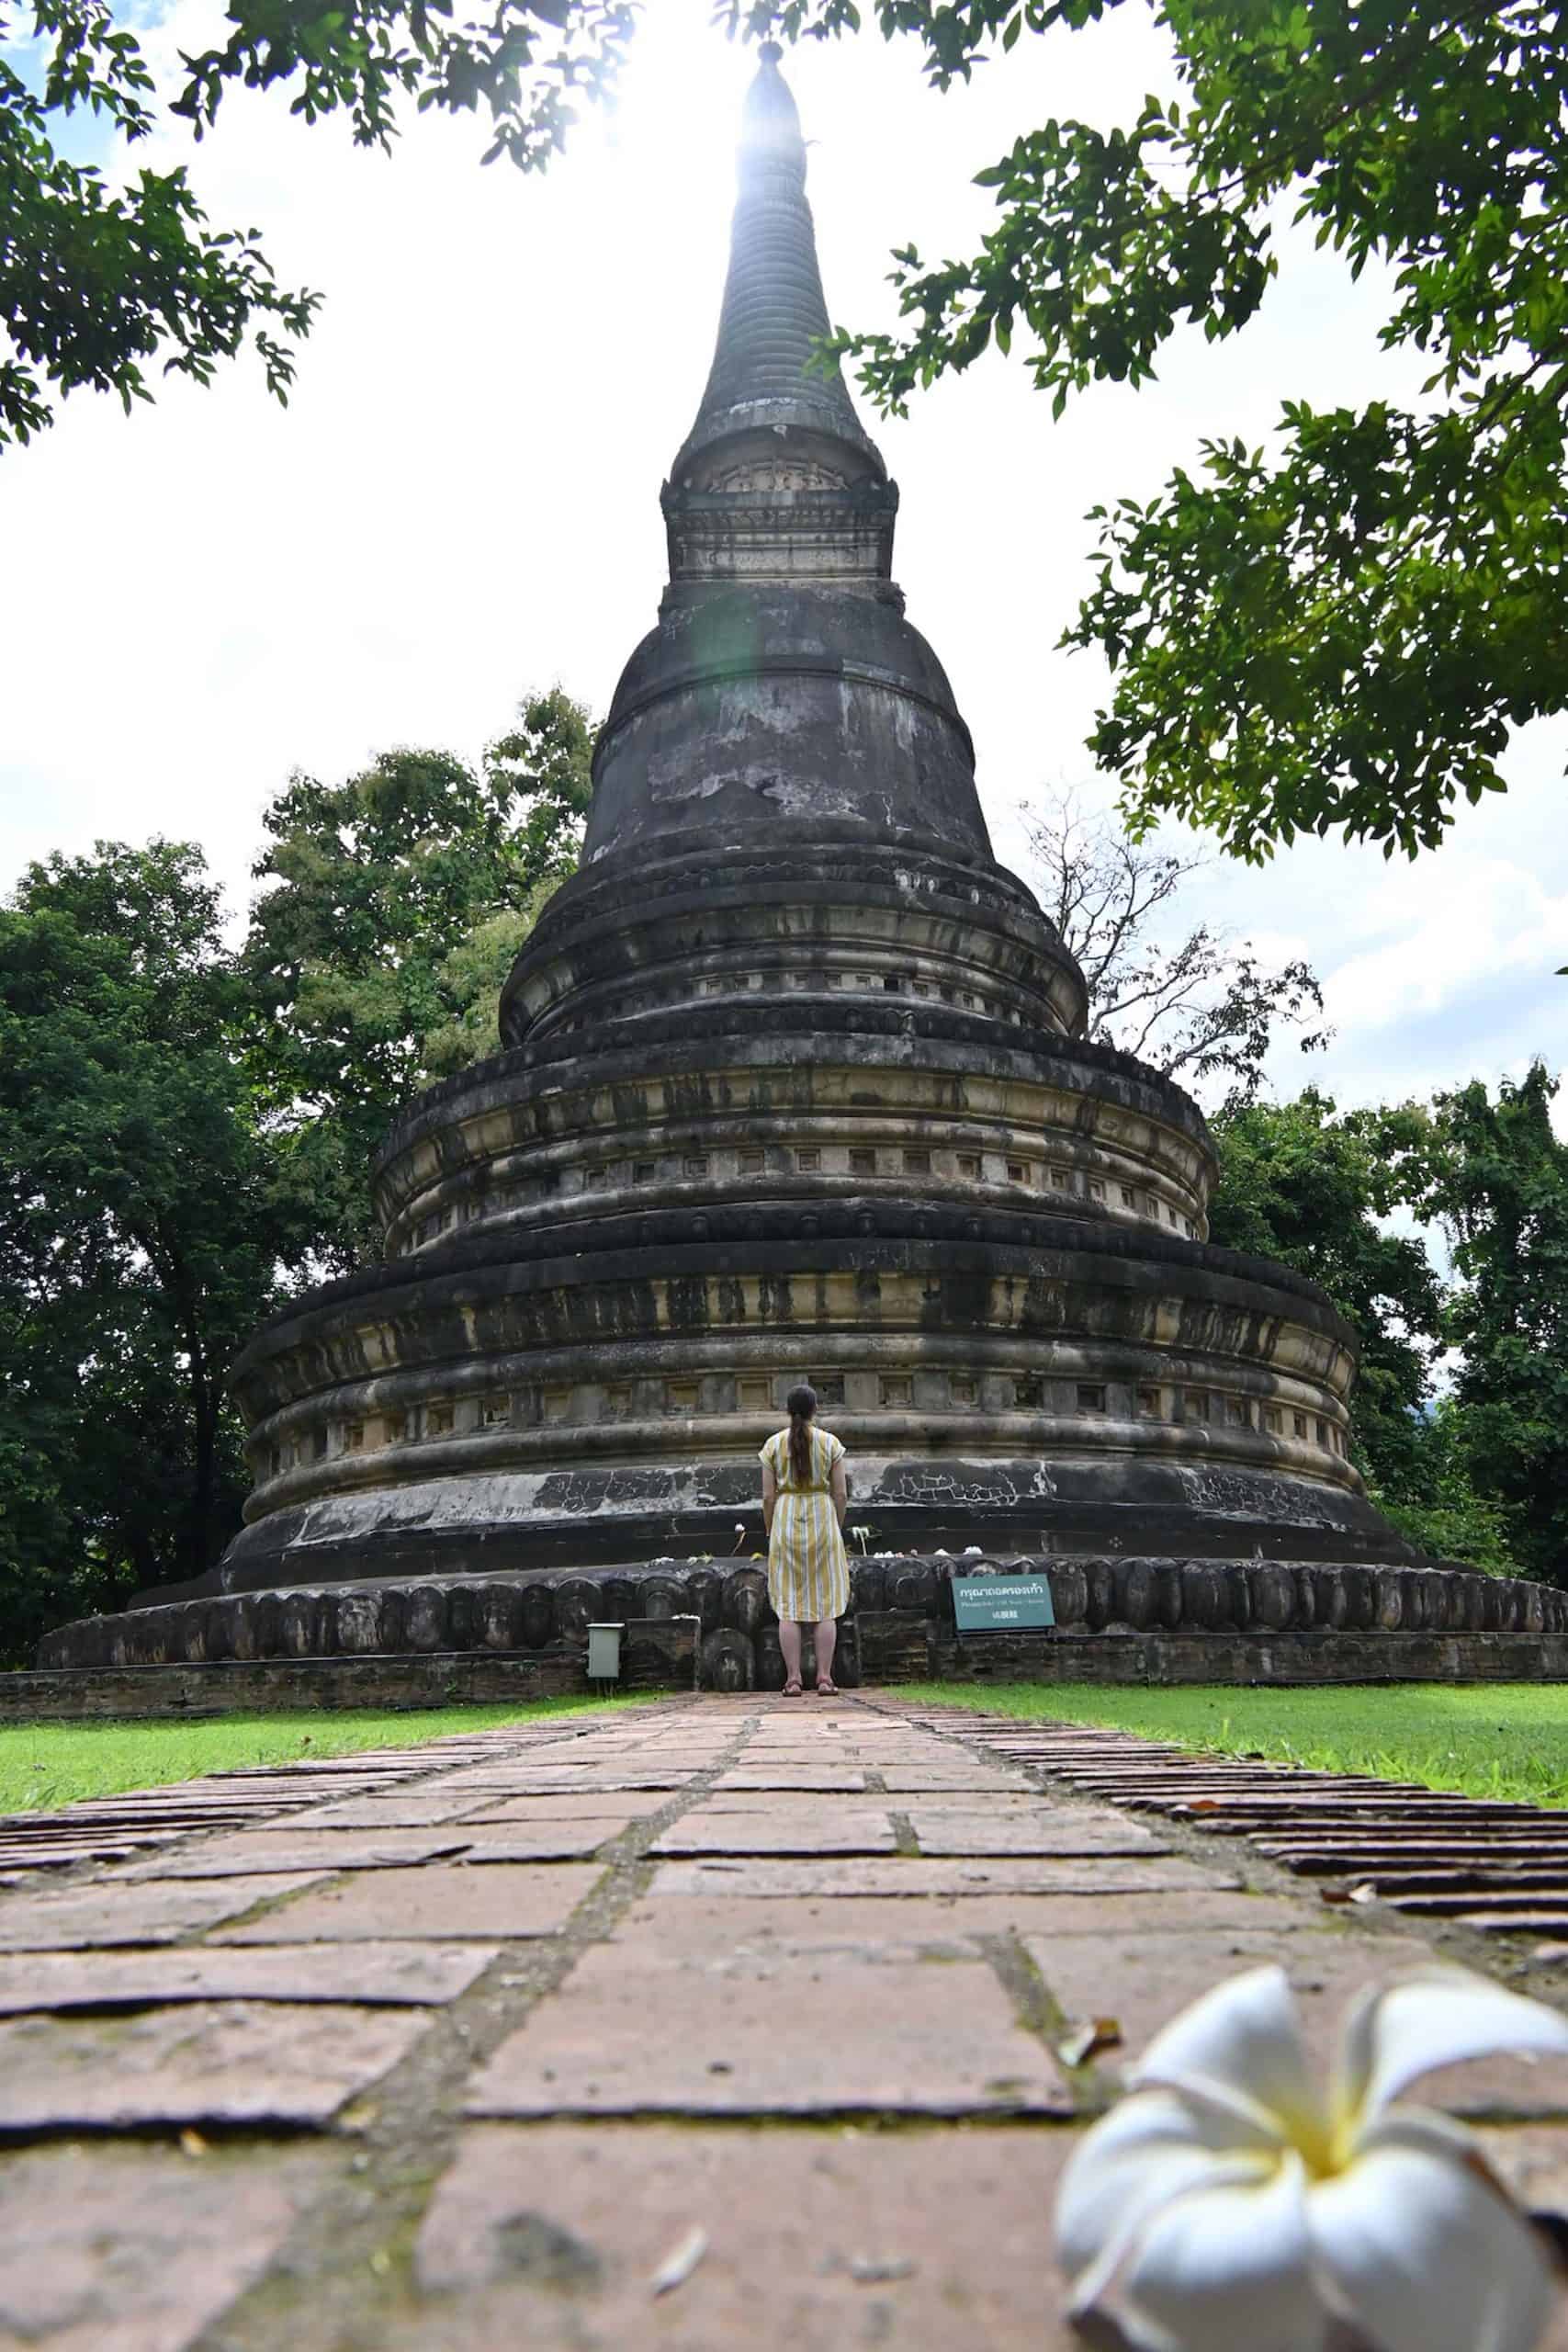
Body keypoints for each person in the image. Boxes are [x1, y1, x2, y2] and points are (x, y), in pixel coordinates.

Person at [760, 1381, 850, 1697]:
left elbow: (768, 1497)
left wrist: (770, 1529)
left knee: (788, 1604)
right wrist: (836, 1525)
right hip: (822, 1515)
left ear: (788, 1410)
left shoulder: (773, 1445)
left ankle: (793, 1678)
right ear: (815, 1410)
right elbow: (839, 1492)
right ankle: (824, 1678)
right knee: (826, 1603)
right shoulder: (830, 1444)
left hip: (785, 1517)